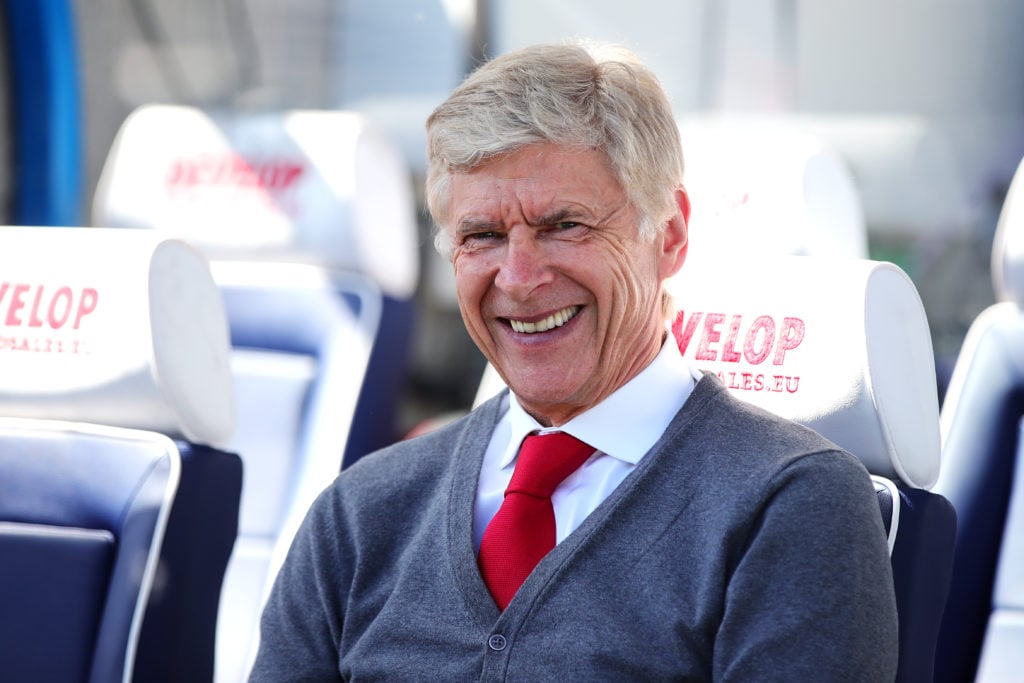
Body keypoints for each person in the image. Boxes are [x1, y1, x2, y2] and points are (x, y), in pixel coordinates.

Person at [250, 41, 898, 681]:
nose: (519, 277)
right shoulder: (361, 513)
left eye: (565, 225)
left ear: (669, 235)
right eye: (483, 235)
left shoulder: (792, 504)